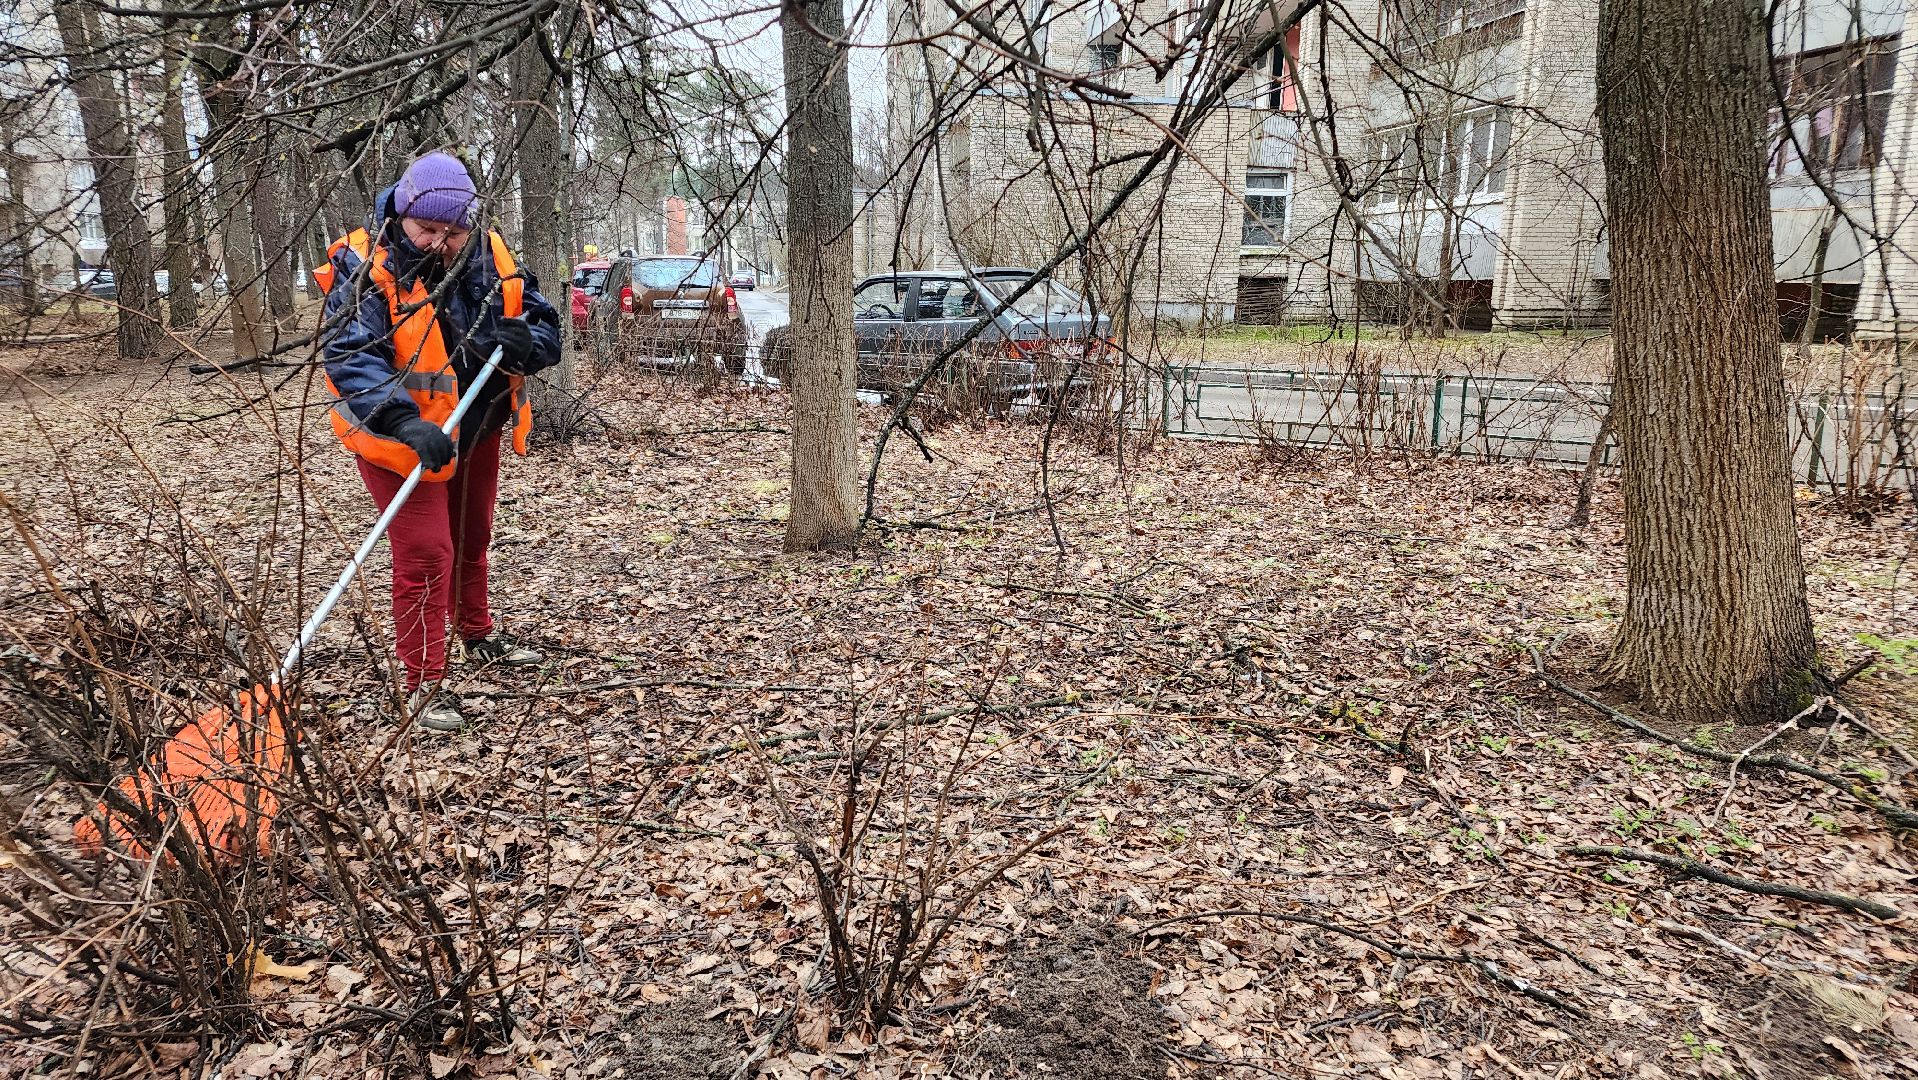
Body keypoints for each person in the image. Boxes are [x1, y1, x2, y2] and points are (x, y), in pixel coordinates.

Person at [315, 151, 563, 731]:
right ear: (401, 213)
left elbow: (543, 321)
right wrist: (401, 420)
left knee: (471, 537)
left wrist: (531, 341)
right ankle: (424, 681)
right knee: (428, 553)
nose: (437, 243)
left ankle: (476, 632)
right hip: (398, 437)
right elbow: (351, 357)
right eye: (426, 229)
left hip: (477, 426)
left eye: (452, 232)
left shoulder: (487, 255)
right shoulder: (363, 267)